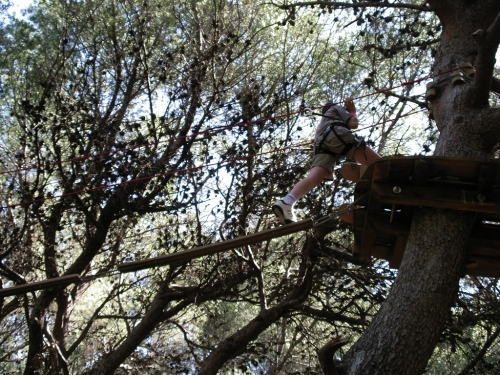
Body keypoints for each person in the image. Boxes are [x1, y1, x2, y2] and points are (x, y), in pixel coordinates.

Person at [272, 97, 381, 225]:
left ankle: (287, 201)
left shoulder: (323, 123)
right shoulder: (336, 109)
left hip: (321, 145)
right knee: (379, 163)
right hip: (336, 134)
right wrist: (352, 112)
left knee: (315, 178)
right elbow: (353, 124)